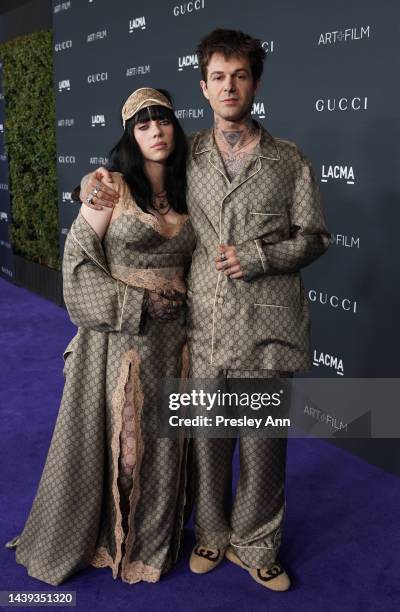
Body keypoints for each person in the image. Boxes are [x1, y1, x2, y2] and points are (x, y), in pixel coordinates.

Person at [78, 29, 330, 592]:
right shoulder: (186, 151)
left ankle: (258, 545)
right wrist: (94, 184)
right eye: (219, 77)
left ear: (256, 83)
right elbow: (136, 176)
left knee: (262, 445)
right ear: (204, 86)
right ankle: (213, 536)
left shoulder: (290, 160)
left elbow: (314, 237)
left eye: (240, 75)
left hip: (267, 324)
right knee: (209, 441)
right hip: (203, 325)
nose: (230, 86)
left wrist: (259, 255)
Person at [6, 87, 196, 586]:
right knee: (126, 445)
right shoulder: (110, 186)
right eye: (143, 125)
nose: (156, 132)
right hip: (121, 340)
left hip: (178, 341)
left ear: (176, 126)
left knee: (166, 440)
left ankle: (152, 546)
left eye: (164, 122)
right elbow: (77, 265)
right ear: (130, 135)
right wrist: (137, 303)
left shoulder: (190, 183)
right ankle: (112, 538)